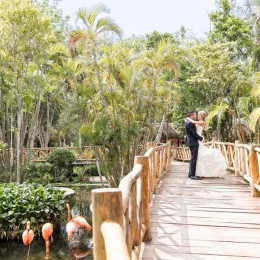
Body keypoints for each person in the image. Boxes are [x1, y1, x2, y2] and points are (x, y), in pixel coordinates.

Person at [186, 110, 227, 178]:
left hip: (198, 139)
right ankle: (194, 173)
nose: (197, 116)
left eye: (199, 115)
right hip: (197, 140)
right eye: (197, 115)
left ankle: (193, 174)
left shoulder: (201, 122)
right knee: (197, 157)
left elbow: (193, 122)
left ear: (202, 116)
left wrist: (188, 118)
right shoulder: (196, 122)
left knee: (198, 156)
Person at [185, 111, 204, 180]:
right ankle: (192, 175)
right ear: (192, 115)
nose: (196, 116)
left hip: (190, 142)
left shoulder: (187, 122)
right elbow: (194, 133)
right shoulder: (190, 123)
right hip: (193, 142)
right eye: (195, 115)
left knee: (193, 158)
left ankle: (190, 174)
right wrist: (201, 138)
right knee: (194, 158)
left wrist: (187, 118)